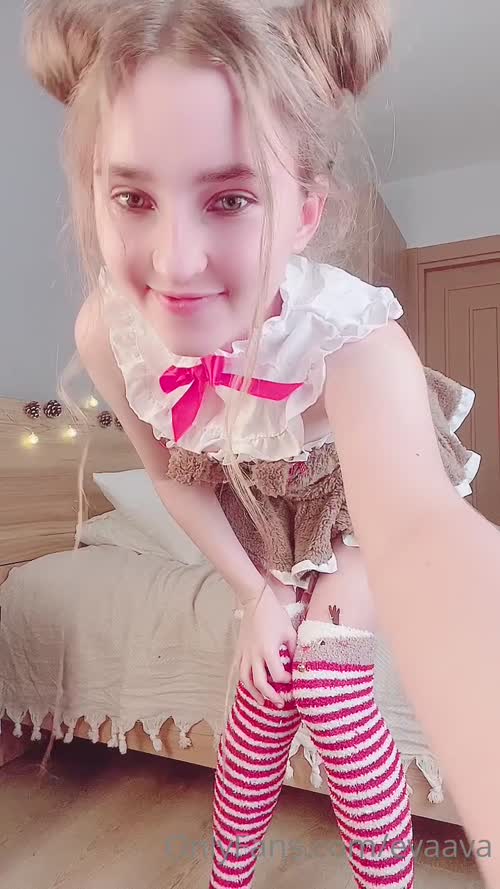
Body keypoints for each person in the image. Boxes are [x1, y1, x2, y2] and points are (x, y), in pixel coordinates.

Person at [24, 2, 500, 888]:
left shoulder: (348, 334)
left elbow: (419, 525)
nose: (176, 261)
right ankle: (228, 876)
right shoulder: (110, 335)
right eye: (132, 197)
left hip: (352, 504)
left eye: (232, 199)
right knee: (267, 683)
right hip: (262, 515)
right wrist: (257, 597)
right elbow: (173, 476)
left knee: (328, 681)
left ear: (304, 213)